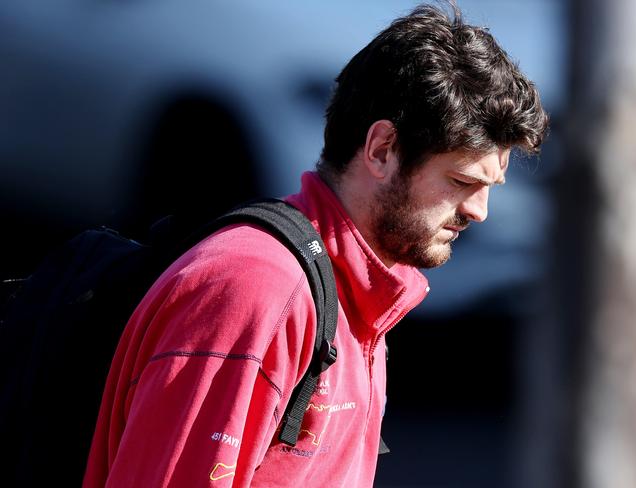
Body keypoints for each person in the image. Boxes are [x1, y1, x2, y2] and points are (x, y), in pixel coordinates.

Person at [83, 3, 548, 487]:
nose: (479, 212)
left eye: (490, 188)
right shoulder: (253, 292)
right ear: (382, 149)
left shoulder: (361, 296)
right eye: (461, 181)